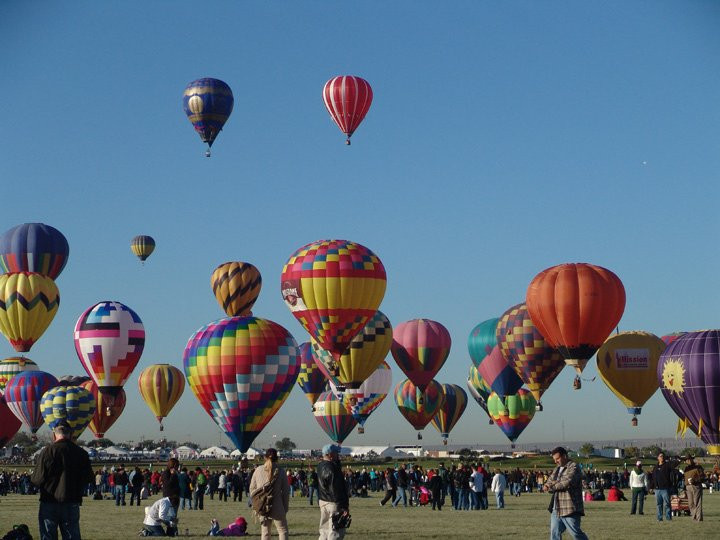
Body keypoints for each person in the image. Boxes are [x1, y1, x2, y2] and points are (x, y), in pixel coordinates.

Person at [30, 420, 94, 540]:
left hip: (49, 501)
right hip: (71, 500)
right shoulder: (81, 453)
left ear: (54, 435)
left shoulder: (46, 452)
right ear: (71, 434)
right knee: (71, 536)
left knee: (48, 536)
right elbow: (88, 478)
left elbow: (37, 479)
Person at [543, 446, 588, 540]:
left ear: (564, 456)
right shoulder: (557, 469)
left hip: (570, 507)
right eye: (554, 459)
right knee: (554, 533)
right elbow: (549, 481)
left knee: (575, 533)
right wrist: (549, 485)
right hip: (557, 507)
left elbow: (566, 482)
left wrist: (552, 486)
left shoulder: (574, 467)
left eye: (557, 458)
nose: (556, 461)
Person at [249, 448, 290, 540]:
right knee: (282, 531)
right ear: (277, 458)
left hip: (262, 504)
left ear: (265, 457)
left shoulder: (258, 470)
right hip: (277, 505)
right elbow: (286, 491)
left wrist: (256, 502)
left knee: (265, 532)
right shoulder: (281, 471)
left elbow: (252, 488)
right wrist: (285, 507)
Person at [317, 444, 350, 540]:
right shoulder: (332, 468)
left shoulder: (320, 465)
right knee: (336, 531)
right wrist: (343, 506)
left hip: (323, 500)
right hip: (334, 502)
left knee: (324, 531)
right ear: (330, 454)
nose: (338, 455)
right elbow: (335, 488)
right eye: (336, 453)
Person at [650, 452, 674, 522]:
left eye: (663, 456)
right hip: (657, 489)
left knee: (667, 504)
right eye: (660, 456)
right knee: (658, 504)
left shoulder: (667, 465)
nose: (662, 457)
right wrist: (651, 487)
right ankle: (659, 518)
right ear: (658, 458)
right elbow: (653, 478)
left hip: (665, 488)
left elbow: (674, 465)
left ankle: (668, 518)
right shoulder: (655, 467)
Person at [683, 455, 704, 521]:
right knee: (690, 504)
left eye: (689, 459)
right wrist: (684, 488)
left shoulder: (698, 467)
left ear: (692, 459)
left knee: (697, 502)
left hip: (696, 486)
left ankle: (698, 518)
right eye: (687, 460)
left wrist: (694, 480)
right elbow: (685, 478)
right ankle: (694, 517)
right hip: (688, 487)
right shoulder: (686, 468)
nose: (688, 461)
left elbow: (702, 477)